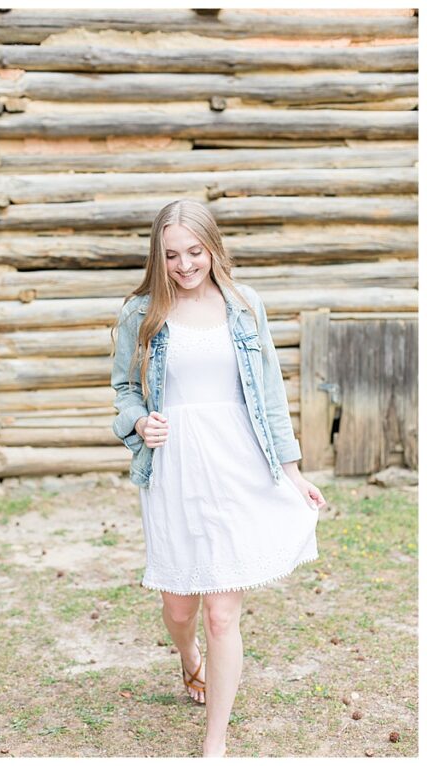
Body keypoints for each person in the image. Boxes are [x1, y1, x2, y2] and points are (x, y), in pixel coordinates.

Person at [110, 199, 322, 758]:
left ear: (214, 247)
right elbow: (124, 390)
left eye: (195, 252)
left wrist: (293, 470)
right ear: (158, 256)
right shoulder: (141, 311)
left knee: (221, 612)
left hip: (239, 464)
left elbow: (271, 393)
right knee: (180, 608)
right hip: (174, 468)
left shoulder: (244, 305)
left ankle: (215, 743)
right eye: (172, 254)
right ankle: (187, 657)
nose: (184, 265)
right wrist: (138, 421)